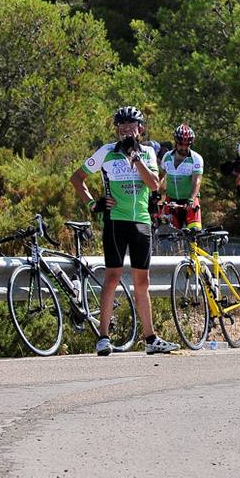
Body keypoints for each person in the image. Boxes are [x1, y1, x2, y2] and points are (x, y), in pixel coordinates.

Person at [69, 106, 178, 355]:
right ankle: (103, 338)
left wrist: (136, 158)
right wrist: (92, 203)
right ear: (117, 129)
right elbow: (77, 178)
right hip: (116, 221)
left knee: (143, 281)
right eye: (122, 126)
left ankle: (150, 339)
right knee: (112, 277)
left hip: (141, 222)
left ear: (140, 129)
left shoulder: (149, 152)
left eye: (132, 126)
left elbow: (153, 185)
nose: (127, 130)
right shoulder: (107, 152)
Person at [160, 124, 204, 231]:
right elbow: (160, 177)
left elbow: (197, 181)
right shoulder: (167, 157)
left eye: (187, 144)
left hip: (189, 199)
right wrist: (154, 194)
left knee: (194, 231)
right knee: (170, 233)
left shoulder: (196, 158)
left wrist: (191, 199)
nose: (184, 147)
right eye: (180, 144)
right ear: (175, 142)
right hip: (171, 201)